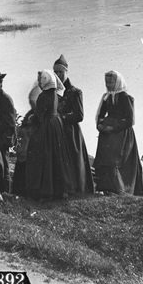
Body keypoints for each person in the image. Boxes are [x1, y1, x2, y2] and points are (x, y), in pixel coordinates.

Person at [21, 69, 76, 199]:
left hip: (45, 127)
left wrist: (31, 119)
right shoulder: (56, 94)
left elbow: (39, 115)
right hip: (55, 125)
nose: (40, 82)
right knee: (56, 155)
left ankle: (44, 189)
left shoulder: (43, 96)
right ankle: (59, 188)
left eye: (42, 80)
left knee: (42, 156)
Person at [93, 70, 143, 195]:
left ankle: (121, 189)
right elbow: (101, 113)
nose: (108, 84)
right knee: (104, 159)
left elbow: (130, 120)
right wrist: (100, 124)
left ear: (117, 82)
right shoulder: (107, 97)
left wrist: (113, 128)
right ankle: (107, 188)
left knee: (116, 161)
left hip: (121, 134)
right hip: (107, 134)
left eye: (111, 82)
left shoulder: (126, 98)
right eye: (106, 82)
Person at [53, 54, 94, 193]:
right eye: (56, 72)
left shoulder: (75, 92)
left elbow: (79, 115)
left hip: (71, 133)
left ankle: (77, 189)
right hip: (57, 131)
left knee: (73, 161)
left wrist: (61, 118)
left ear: (66, 72)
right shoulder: (54, 91)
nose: (58, 75)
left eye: (61, 72)